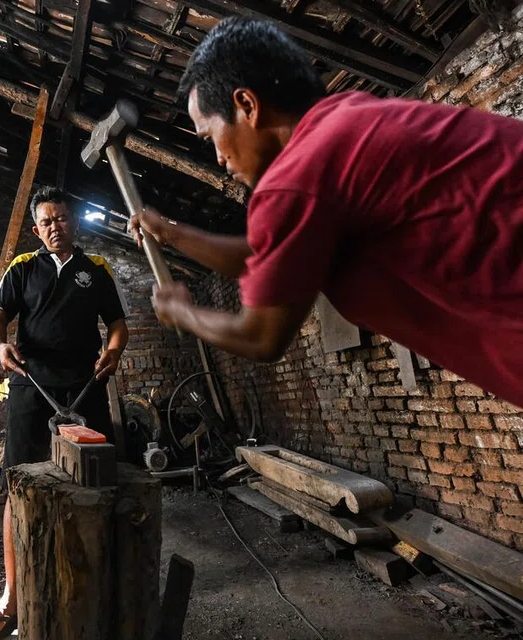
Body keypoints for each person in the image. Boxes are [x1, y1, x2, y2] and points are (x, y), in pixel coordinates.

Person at [131, 17, 523, 407]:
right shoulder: (344, 120)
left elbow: (260, 335)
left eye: (211, 135)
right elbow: (266, 255)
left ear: (247, 105)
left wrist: (182, 313)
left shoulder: (296, 178)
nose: (218, 156)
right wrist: (171, 233)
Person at [0, 186, 129, 640]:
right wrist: (1, 347)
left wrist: (113, 353)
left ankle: (94, 584)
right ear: (36, 229)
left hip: (86, 384)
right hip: (31, 383)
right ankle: (12, 597)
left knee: (95, 478)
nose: (55, 226)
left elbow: (117, 325)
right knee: (18, 480)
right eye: (47, 221)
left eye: (62, 218)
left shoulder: (95, 270)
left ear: (74, 221)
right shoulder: (22, 268)